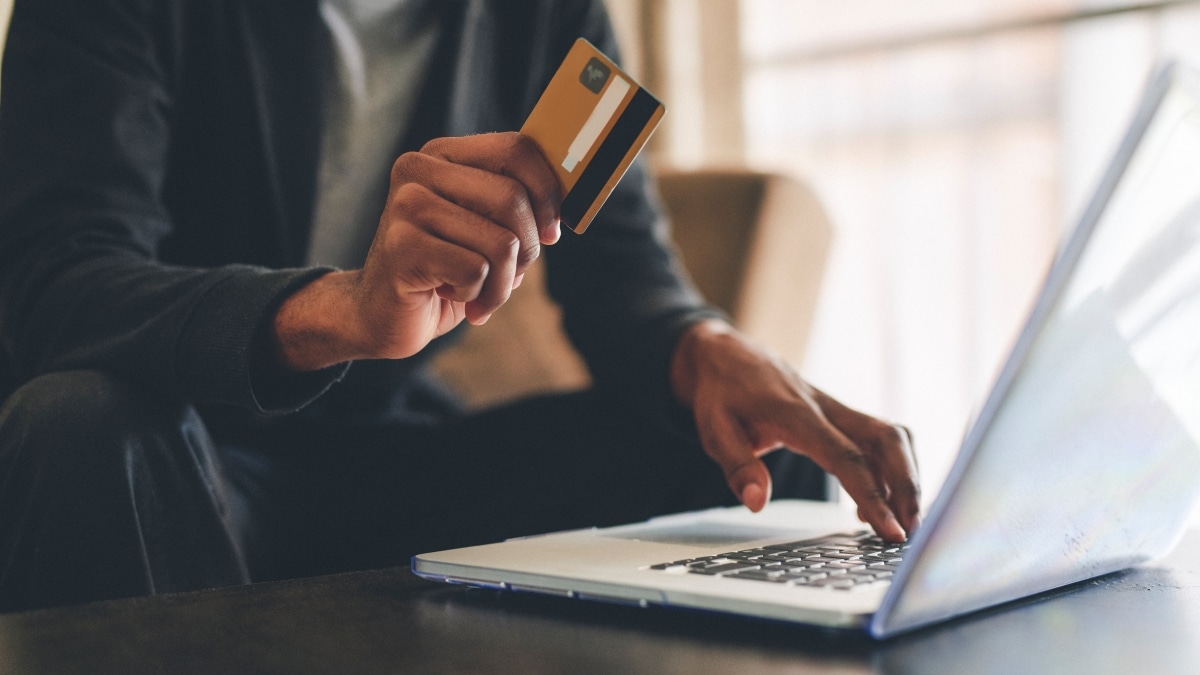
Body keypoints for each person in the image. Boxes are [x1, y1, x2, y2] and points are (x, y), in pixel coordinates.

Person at [0, 0, 919, 612]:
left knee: (744, 459)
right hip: (187, 454)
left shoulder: (552, 12)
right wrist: (342, 311)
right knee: (79, 423)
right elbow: (56, 278)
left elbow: (622, 277)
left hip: (394, 455)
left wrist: (704, 345)